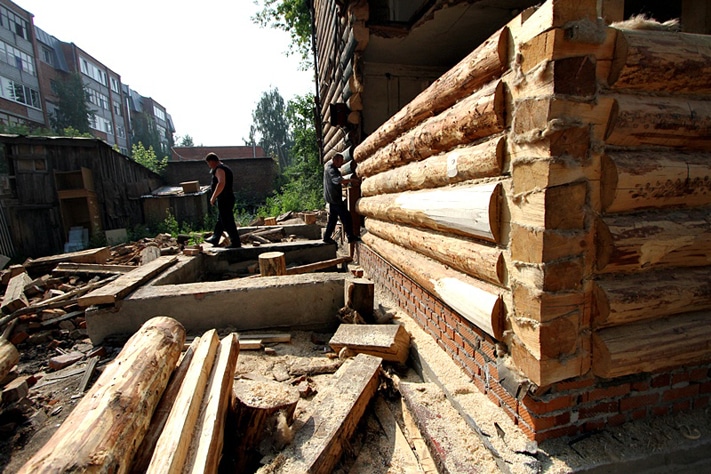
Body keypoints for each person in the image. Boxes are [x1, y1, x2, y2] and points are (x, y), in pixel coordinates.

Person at [204, 152, 241, 248]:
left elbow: (221, 183)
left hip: (225, 199)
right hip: (227, 198)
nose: (209, 166)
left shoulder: (219, 169)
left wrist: (213, 197)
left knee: (227, 221)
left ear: (212, 161)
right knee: (221, 220)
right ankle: (215, 238)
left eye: (209, 164)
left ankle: (236, 242)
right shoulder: (224, 167)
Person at [323, 152, 360, 244]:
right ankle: (350, 237)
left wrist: (346, 182)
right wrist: (352, 180)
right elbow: (338, 180)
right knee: (346, 216)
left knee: (333, 219)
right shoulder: (332, 169)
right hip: (334, 199)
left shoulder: (330, 167)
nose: (342, 164)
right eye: (340, 162)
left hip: (332, 199)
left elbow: (340, 180)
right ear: (335, 160)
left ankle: (326, 237)